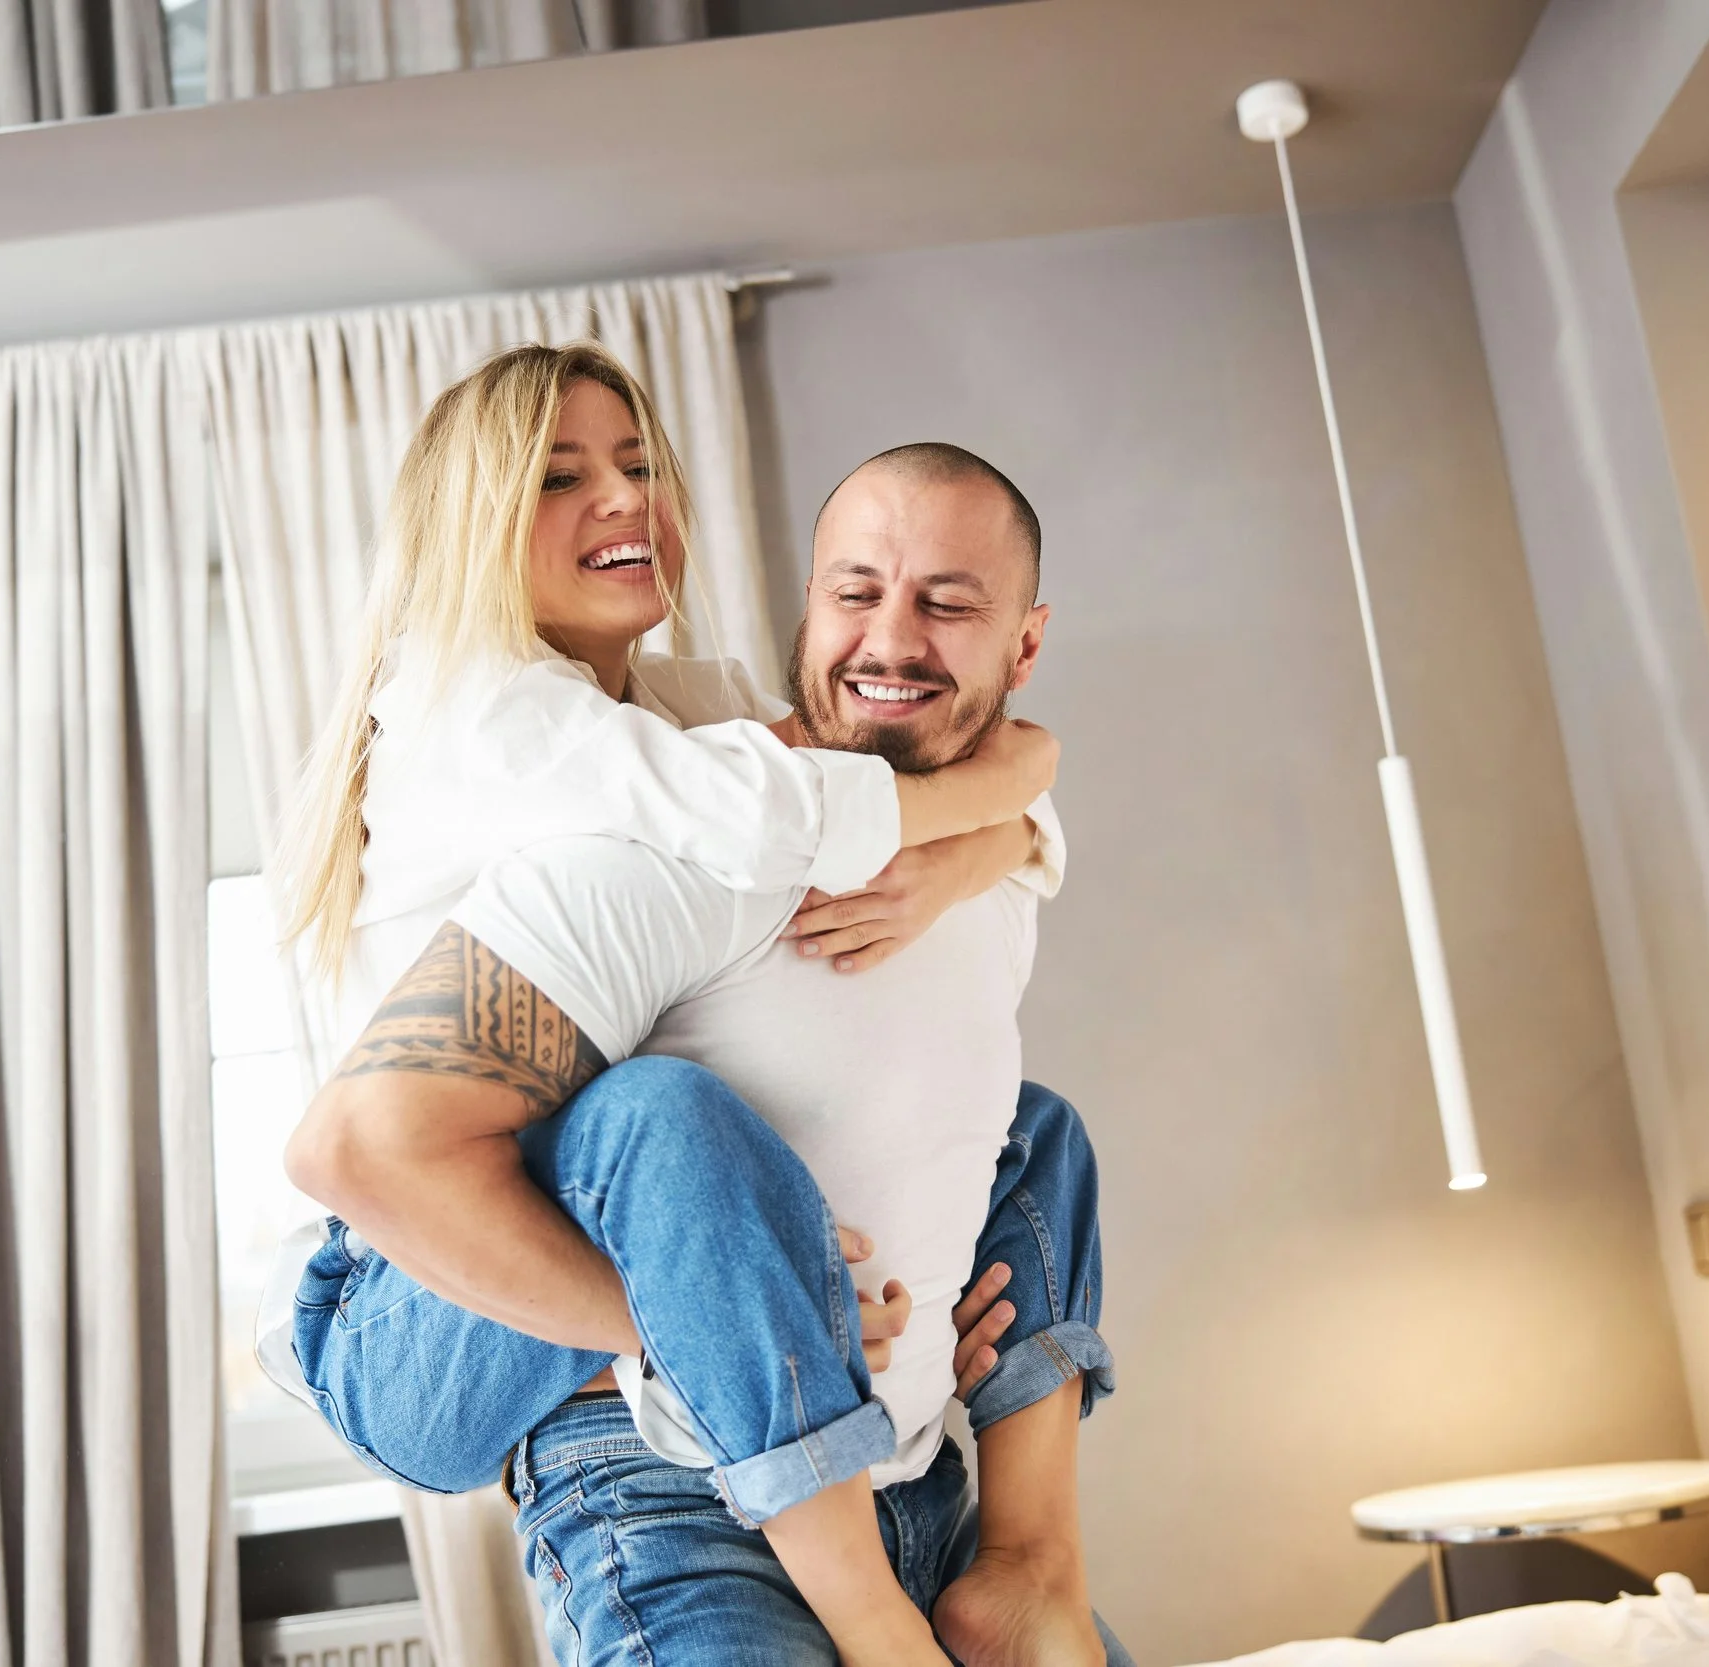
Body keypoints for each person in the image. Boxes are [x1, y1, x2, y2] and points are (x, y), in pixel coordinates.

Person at [268, 344, 1119, 1662]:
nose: (620, 494)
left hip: (660, 1293)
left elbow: (865, 750)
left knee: (1034, 1124)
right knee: (660, 1113)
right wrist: (711, 1309)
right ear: (473, 525)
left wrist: (995, 836)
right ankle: (875, 1620)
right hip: (410, 1286)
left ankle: (1030, 1556)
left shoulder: (671, 713)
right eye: (559, 475)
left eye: (639, 462)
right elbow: (781, 803)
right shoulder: (488, 711)